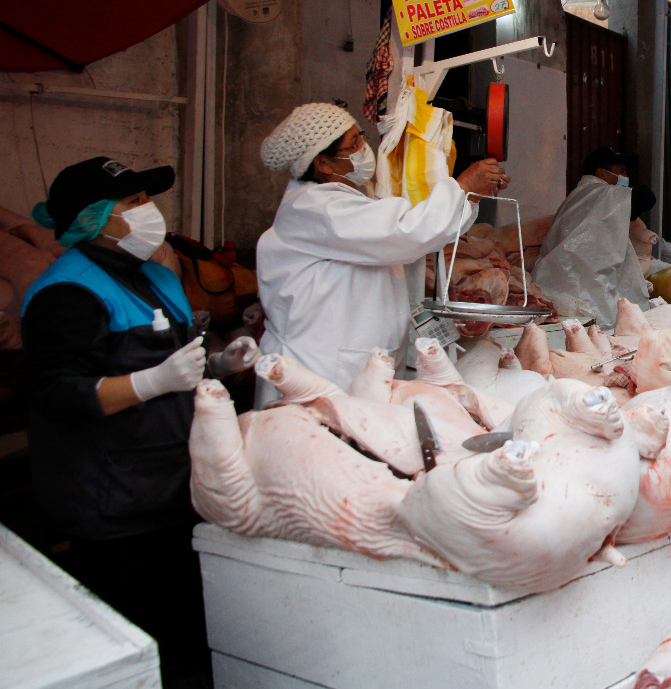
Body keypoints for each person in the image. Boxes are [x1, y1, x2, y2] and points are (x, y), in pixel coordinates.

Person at [21, 157, 261, 682]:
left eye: (146, 199)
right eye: (133, 203)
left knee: (191, 638)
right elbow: (54, 393)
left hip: (175, 490)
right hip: (114, 507)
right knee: (143, 648)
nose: (149, 211)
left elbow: (182, 353)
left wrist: (217, 364)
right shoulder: (67, 292)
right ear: (95, 217)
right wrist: (154, 382)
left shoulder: (156, 274)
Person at [256, 103, 507, 399]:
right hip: (319, 370)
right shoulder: (315, 208)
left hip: (354, 368)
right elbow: (408, 232)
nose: (364, 147)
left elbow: (422, 235)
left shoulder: (349, 200)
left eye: (360, 136)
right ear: (323, 164)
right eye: (353, 144)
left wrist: (470, 195)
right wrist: (463, 186)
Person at [532, 146, 651, 328]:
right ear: (601, 174)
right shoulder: (600, 193)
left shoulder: (576, 197)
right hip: (587, 299)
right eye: (621, 171)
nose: (626, 177)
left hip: (556, 290)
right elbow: (646, 197)